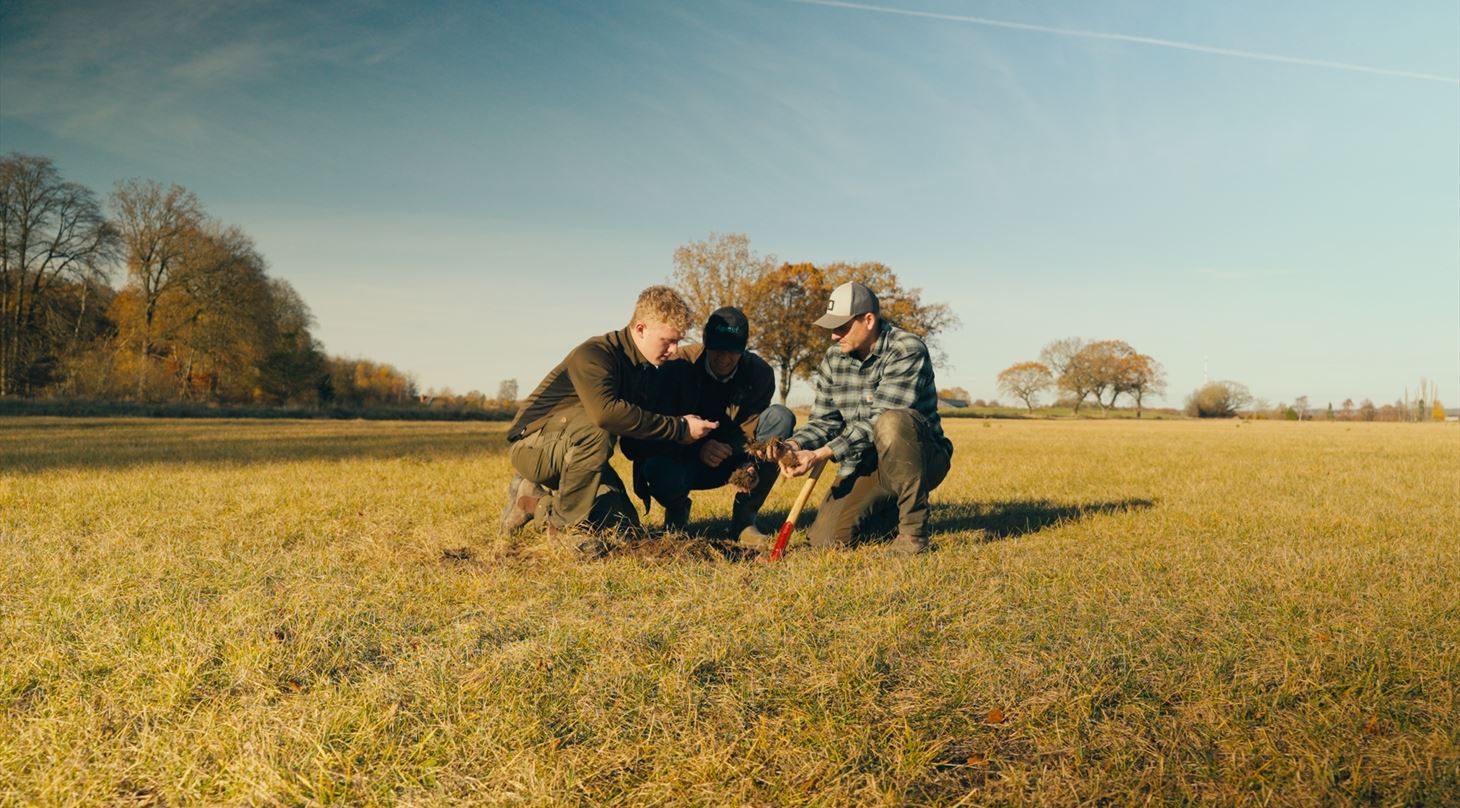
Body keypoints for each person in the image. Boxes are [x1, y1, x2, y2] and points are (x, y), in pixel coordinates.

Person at [499, 286, 718, 557]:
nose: (674, 351)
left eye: (678, 342)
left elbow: (638, 429)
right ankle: (566, 531)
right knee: (597, 425)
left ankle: (532, 502)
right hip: (533, 447)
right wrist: (680, 427)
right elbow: (606, 414)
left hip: (579, 453)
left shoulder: (646, 369)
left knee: (625, 527)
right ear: (640, 329)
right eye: (668, 341)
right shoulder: (595, 355)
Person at [765, 281, 952, 555]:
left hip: (920, 456)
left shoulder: (906, 349)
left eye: (841, 327)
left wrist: (822, 454)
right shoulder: (834, 359)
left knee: (891, 422)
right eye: (832, 328)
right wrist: (793, 447)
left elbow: (878, 421)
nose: (833, 336)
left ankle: (913, 535)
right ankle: (889, 515)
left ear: (868, 320)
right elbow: (824, 422)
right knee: (826, 541)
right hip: (863, 461)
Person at [623, 306, 796, 547]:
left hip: (734, 457)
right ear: (705, 342)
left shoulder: (760, 373)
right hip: (682, 459)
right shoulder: (674, 367)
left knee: (781, 416)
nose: (724, 359)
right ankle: (677, 511)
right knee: (655, 468)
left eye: (733, 352)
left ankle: (744, 520)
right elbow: (657, 430)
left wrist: (748, 462)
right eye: (717, 350)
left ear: (744, 348)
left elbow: (752, 427)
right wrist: (699, 448)